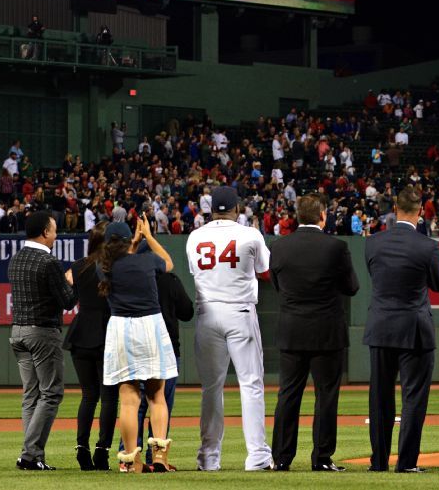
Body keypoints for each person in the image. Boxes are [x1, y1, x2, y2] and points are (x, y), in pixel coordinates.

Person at [269, 195, 360, 471]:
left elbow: (277, 284)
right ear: (322, 216)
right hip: (326, 332)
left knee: (288, 394)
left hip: (292, 330)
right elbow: (352, 287)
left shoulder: (279, 246)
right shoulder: (336, 247)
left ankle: (282, 459)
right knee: (326, 395)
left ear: (298, 217)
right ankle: (321, 459)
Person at [189, 186, 275, 472]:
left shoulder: (195, 236)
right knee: (251, 385)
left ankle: (208, 458)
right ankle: (258, 458)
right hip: (239, 311)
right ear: (237, 209)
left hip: (207, 313)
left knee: (211, 389)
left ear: (211, 209)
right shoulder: (250, 234)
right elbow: (264, 268)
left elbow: (197, 272)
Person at [363, 185, 439, 473]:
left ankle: (378, 462)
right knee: (414, 398)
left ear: (394, 210)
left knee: (379, 397)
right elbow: (437, 284)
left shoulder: (373, 243)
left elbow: (376, 277)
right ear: (420, 212)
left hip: (381, 326)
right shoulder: (427, 245)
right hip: (415, 329)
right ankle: (406, 463)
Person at [98, 215, 176, 473]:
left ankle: (130, 461)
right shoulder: (146, 259)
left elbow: (120, 257)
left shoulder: (104, 266)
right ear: (130, 239)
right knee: (157, 395)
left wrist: (130, 243)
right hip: (150, 326)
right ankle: (161, 457)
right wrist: (148, 237)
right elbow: (168, 263)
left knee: (129, 399)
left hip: (121, 328)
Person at [8, 211, 76, 471]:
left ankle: (32, 455)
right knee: (51, 393)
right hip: (42, 333)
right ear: (45, 232)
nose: (56, 235)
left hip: (17, 333)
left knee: (31, 396)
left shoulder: (16, 259)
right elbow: (68, 301)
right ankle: (29, 455)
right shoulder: (49, 262)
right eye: (54, 230)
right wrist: (72, 281)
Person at [133, 248, 195, 469]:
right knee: (161, 403)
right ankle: (157, 458)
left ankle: (131, 458)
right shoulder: (169, 279)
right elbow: (187, 311)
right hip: (166, 348)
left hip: (137, 347)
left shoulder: (130, 278)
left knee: (136, 405)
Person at [63, 222, 118, 471]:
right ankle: (102, 451)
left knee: (88, 396)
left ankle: (82, 447)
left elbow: (69, 296)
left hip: (81, 332)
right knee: (108, 398)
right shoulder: (115, 267)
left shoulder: (77, 266)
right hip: (108, 333)